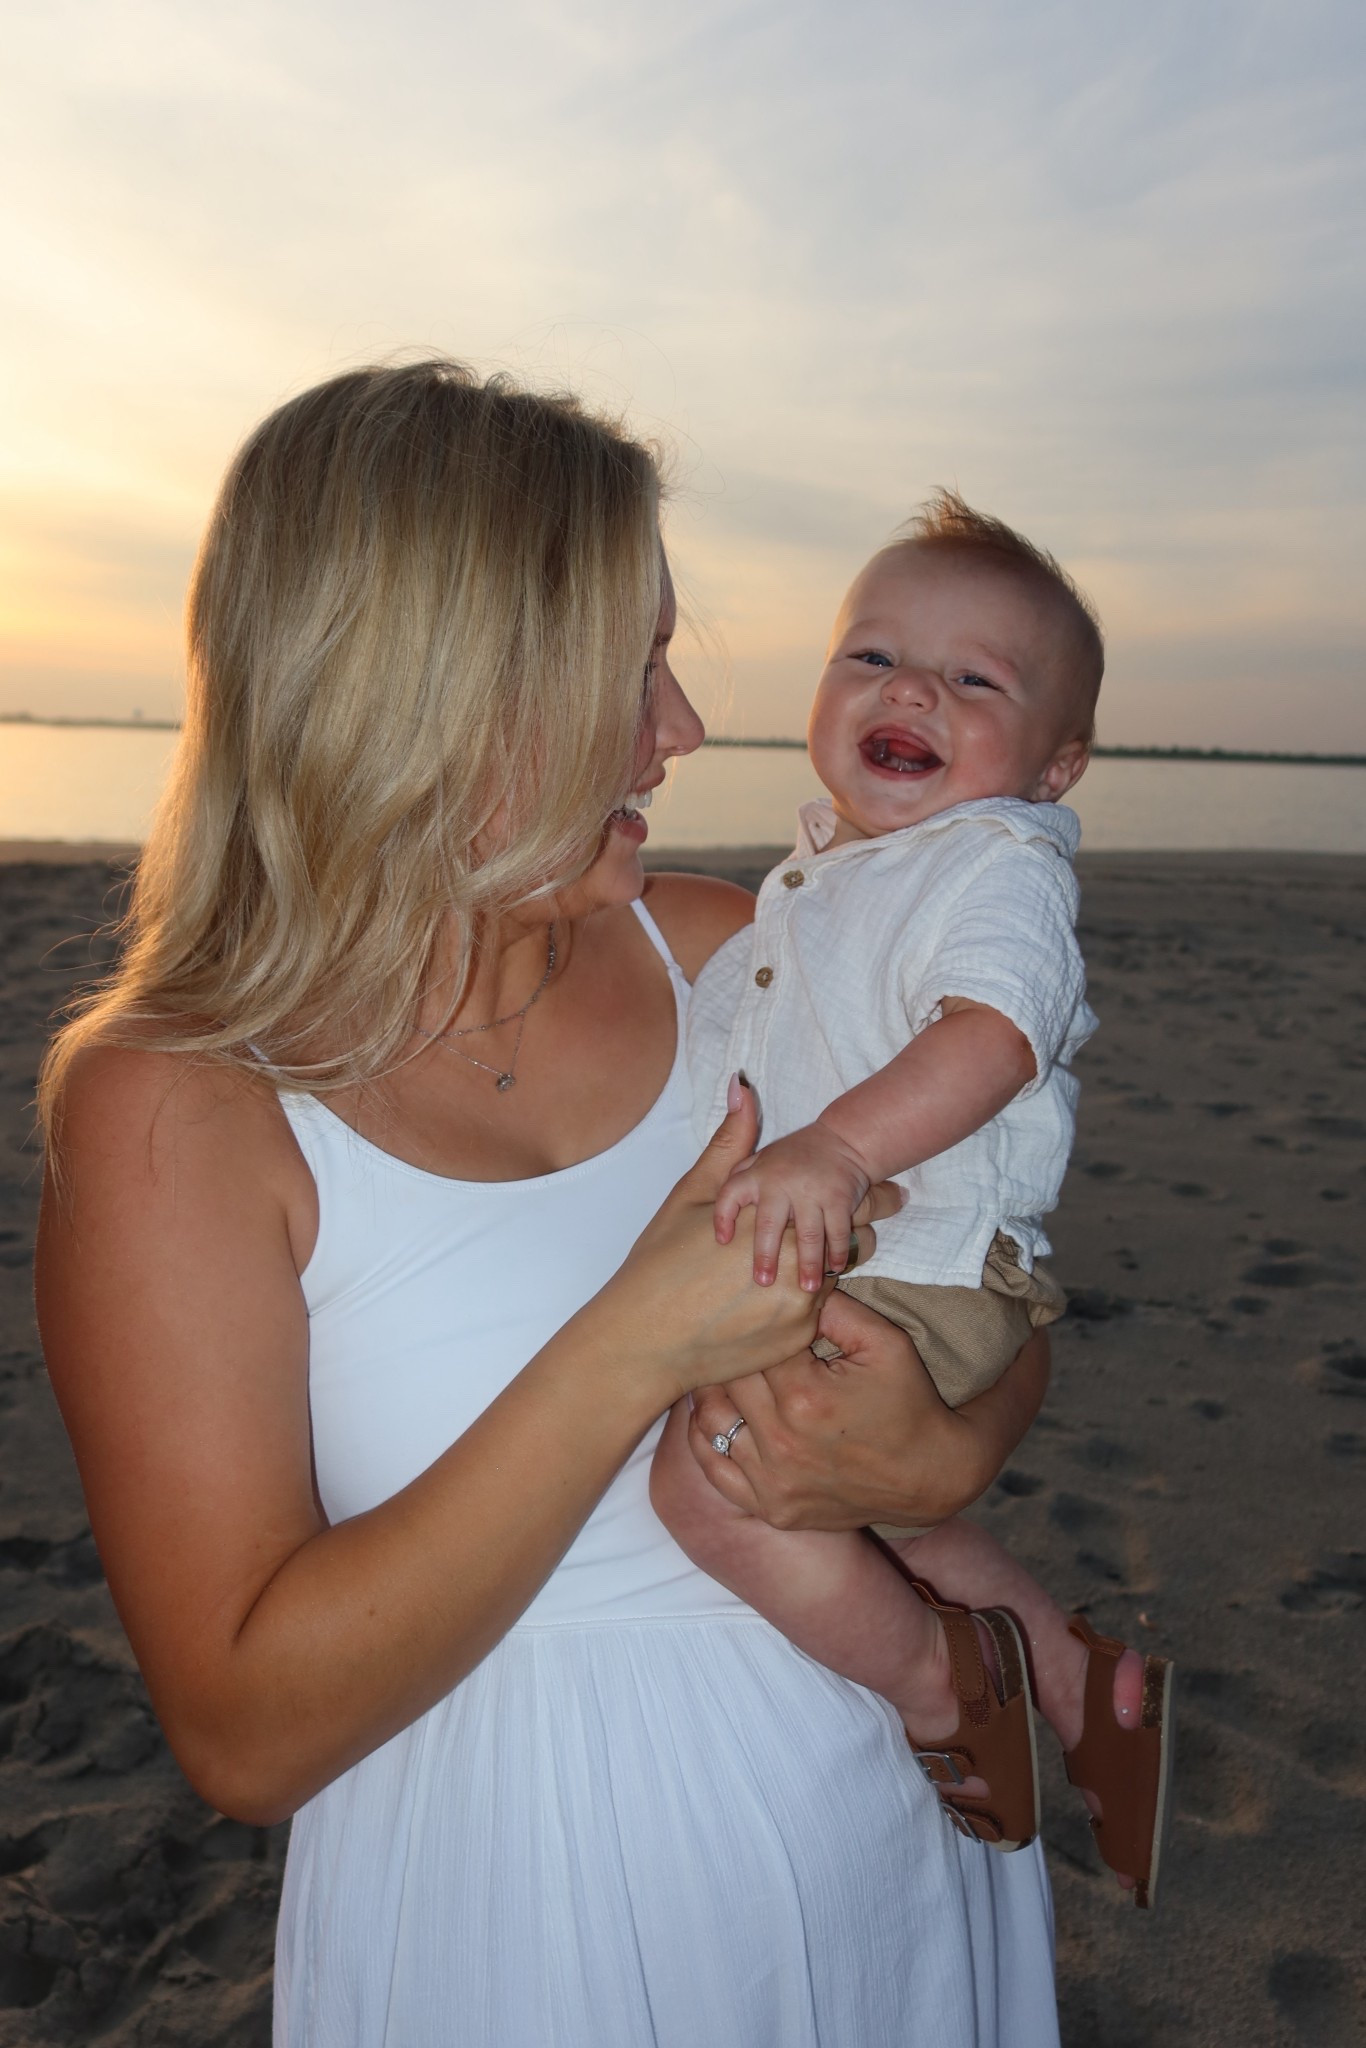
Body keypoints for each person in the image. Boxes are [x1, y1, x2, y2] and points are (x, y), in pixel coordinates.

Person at [36, 362, 1060, 2047]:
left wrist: (943, 1455)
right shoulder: (180, 1105)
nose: (683, 725)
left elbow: (992, 1272)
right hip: (524, 1921)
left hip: (895, 1859)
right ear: (432, 696)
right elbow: (243, 1733)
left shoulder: (738, 952)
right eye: (629, 667)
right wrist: (632, 1345)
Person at [651, 496, 1173, 1907]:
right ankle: (1075, 1679)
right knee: (859, 1506)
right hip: (881, 1260)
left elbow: (995, 1034)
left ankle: (942, 1691)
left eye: (973, 680)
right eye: (872, 657)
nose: (911, 692)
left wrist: (831, 1150)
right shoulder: (830, 875)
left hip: (922, 1259)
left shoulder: (997, 864)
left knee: (712, 1487)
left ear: (1054, 768)